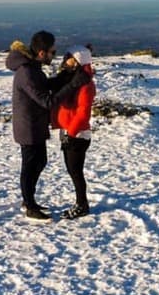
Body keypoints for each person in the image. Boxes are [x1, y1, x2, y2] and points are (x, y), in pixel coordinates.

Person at [7, 31, 90, 220]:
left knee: (39, 161)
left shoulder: (32, 68)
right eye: (53, 52)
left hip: (35, 125)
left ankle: (29, 200)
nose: (55, 55)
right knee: (30, 165)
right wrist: (73, 84)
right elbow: (47, 101)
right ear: (42, 53)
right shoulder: (27, 72)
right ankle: (29, 205)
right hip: (28, 128)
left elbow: (46, 85)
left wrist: (67, 75)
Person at [51, 45, 96, 219]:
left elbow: (83, 113)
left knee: (76, 171)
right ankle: (81, 202)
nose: (65, 60)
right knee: (72, 170)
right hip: (69, 131)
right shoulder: (71, 80)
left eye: (69, 57)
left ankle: (82, 205)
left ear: (78, 61)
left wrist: (71, 132)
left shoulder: (85, 85)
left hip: (77, 135)